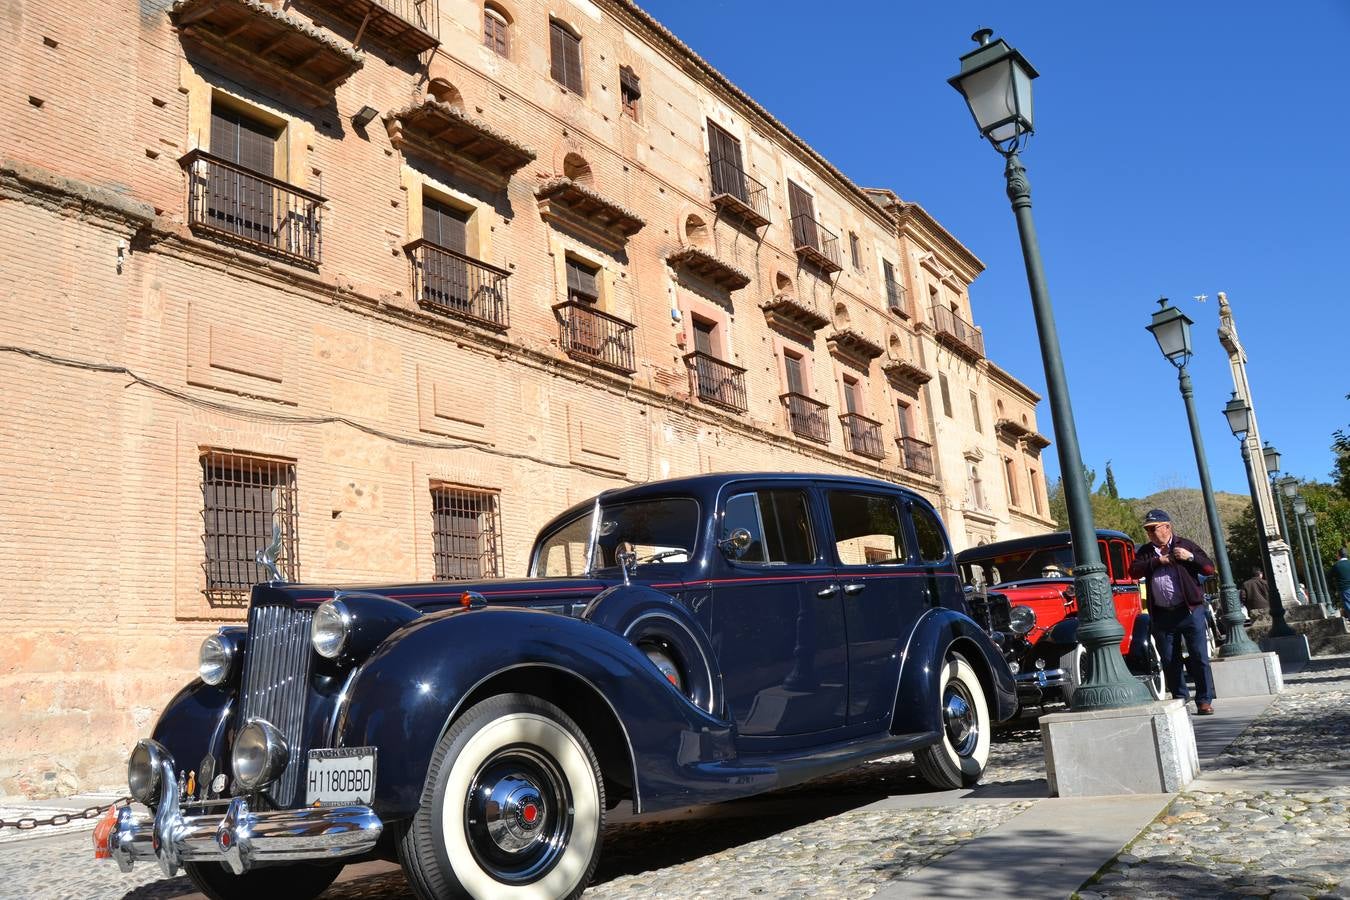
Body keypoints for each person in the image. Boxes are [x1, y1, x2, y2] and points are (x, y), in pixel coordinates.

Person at [1129, 509, 1217, 715]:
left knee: (1199, 657)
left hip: (1190, 611)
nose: (1150, 533)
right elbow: (1133, 571)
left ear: (1167, 527)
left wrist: (1190, 557)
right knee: (1169, 659)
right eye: (1147, 530)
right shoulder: (1145, 552)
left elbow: (1209, 569)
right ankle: (1180, 698)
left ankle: (1204, 700)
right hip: (1161, 614)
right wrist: (1158, 561)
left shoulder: (1185, 545)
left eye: (1153, 528)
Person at [1330, 548, 1350, 618]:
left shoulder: (1336, 566)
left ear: (1339, 555)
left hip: (1344, 589)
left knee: (1348, 605)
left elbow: (1329, 577)